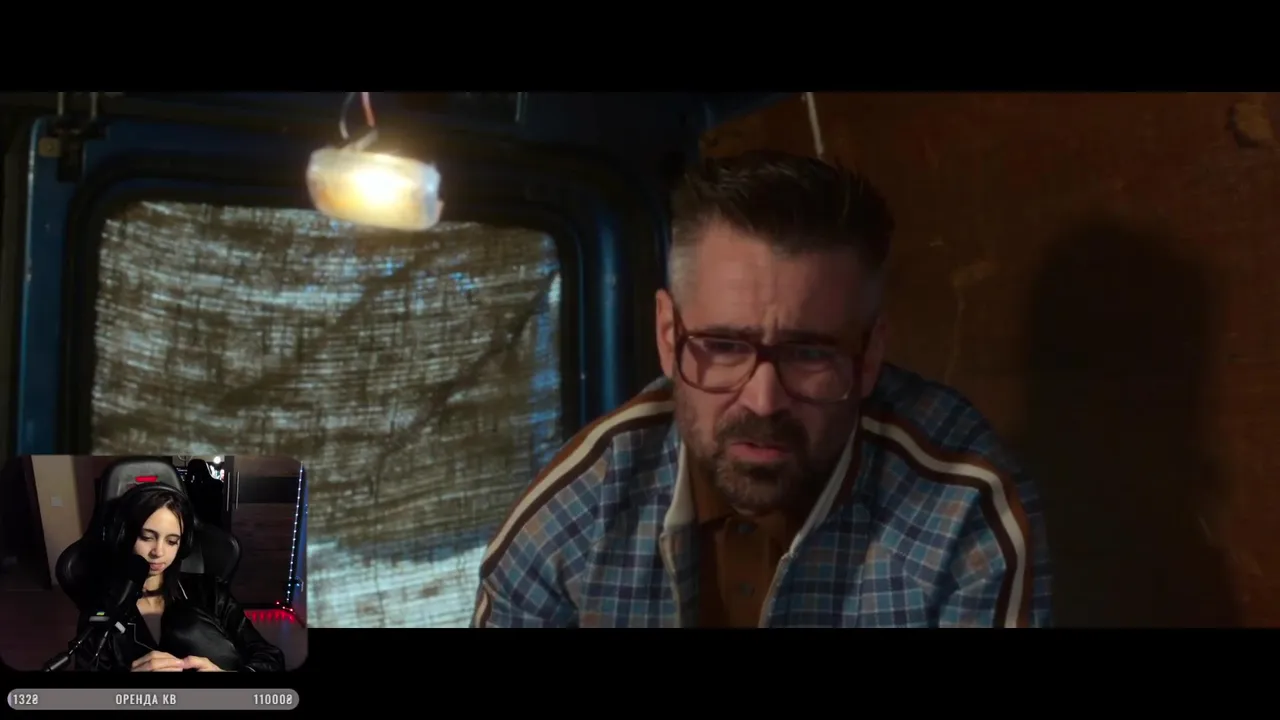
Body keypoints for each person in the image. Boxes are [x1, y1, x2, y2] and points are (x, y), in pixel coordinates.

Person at [473, 150, 1053, 628]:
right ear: (669, 336)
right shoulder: (577, 512)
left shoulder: (962, 510)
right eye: (725, 345)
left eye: (810, 353)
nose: (764, 400)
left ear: (870, 355)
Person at [73, 483, 285, 670]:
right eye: (146, 537)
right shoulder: (101, 608)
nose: (158, 552)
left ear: (183, 545)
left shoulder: (210, 591)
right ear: (123, 536)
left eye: (172, 541)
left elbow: (270, 657)